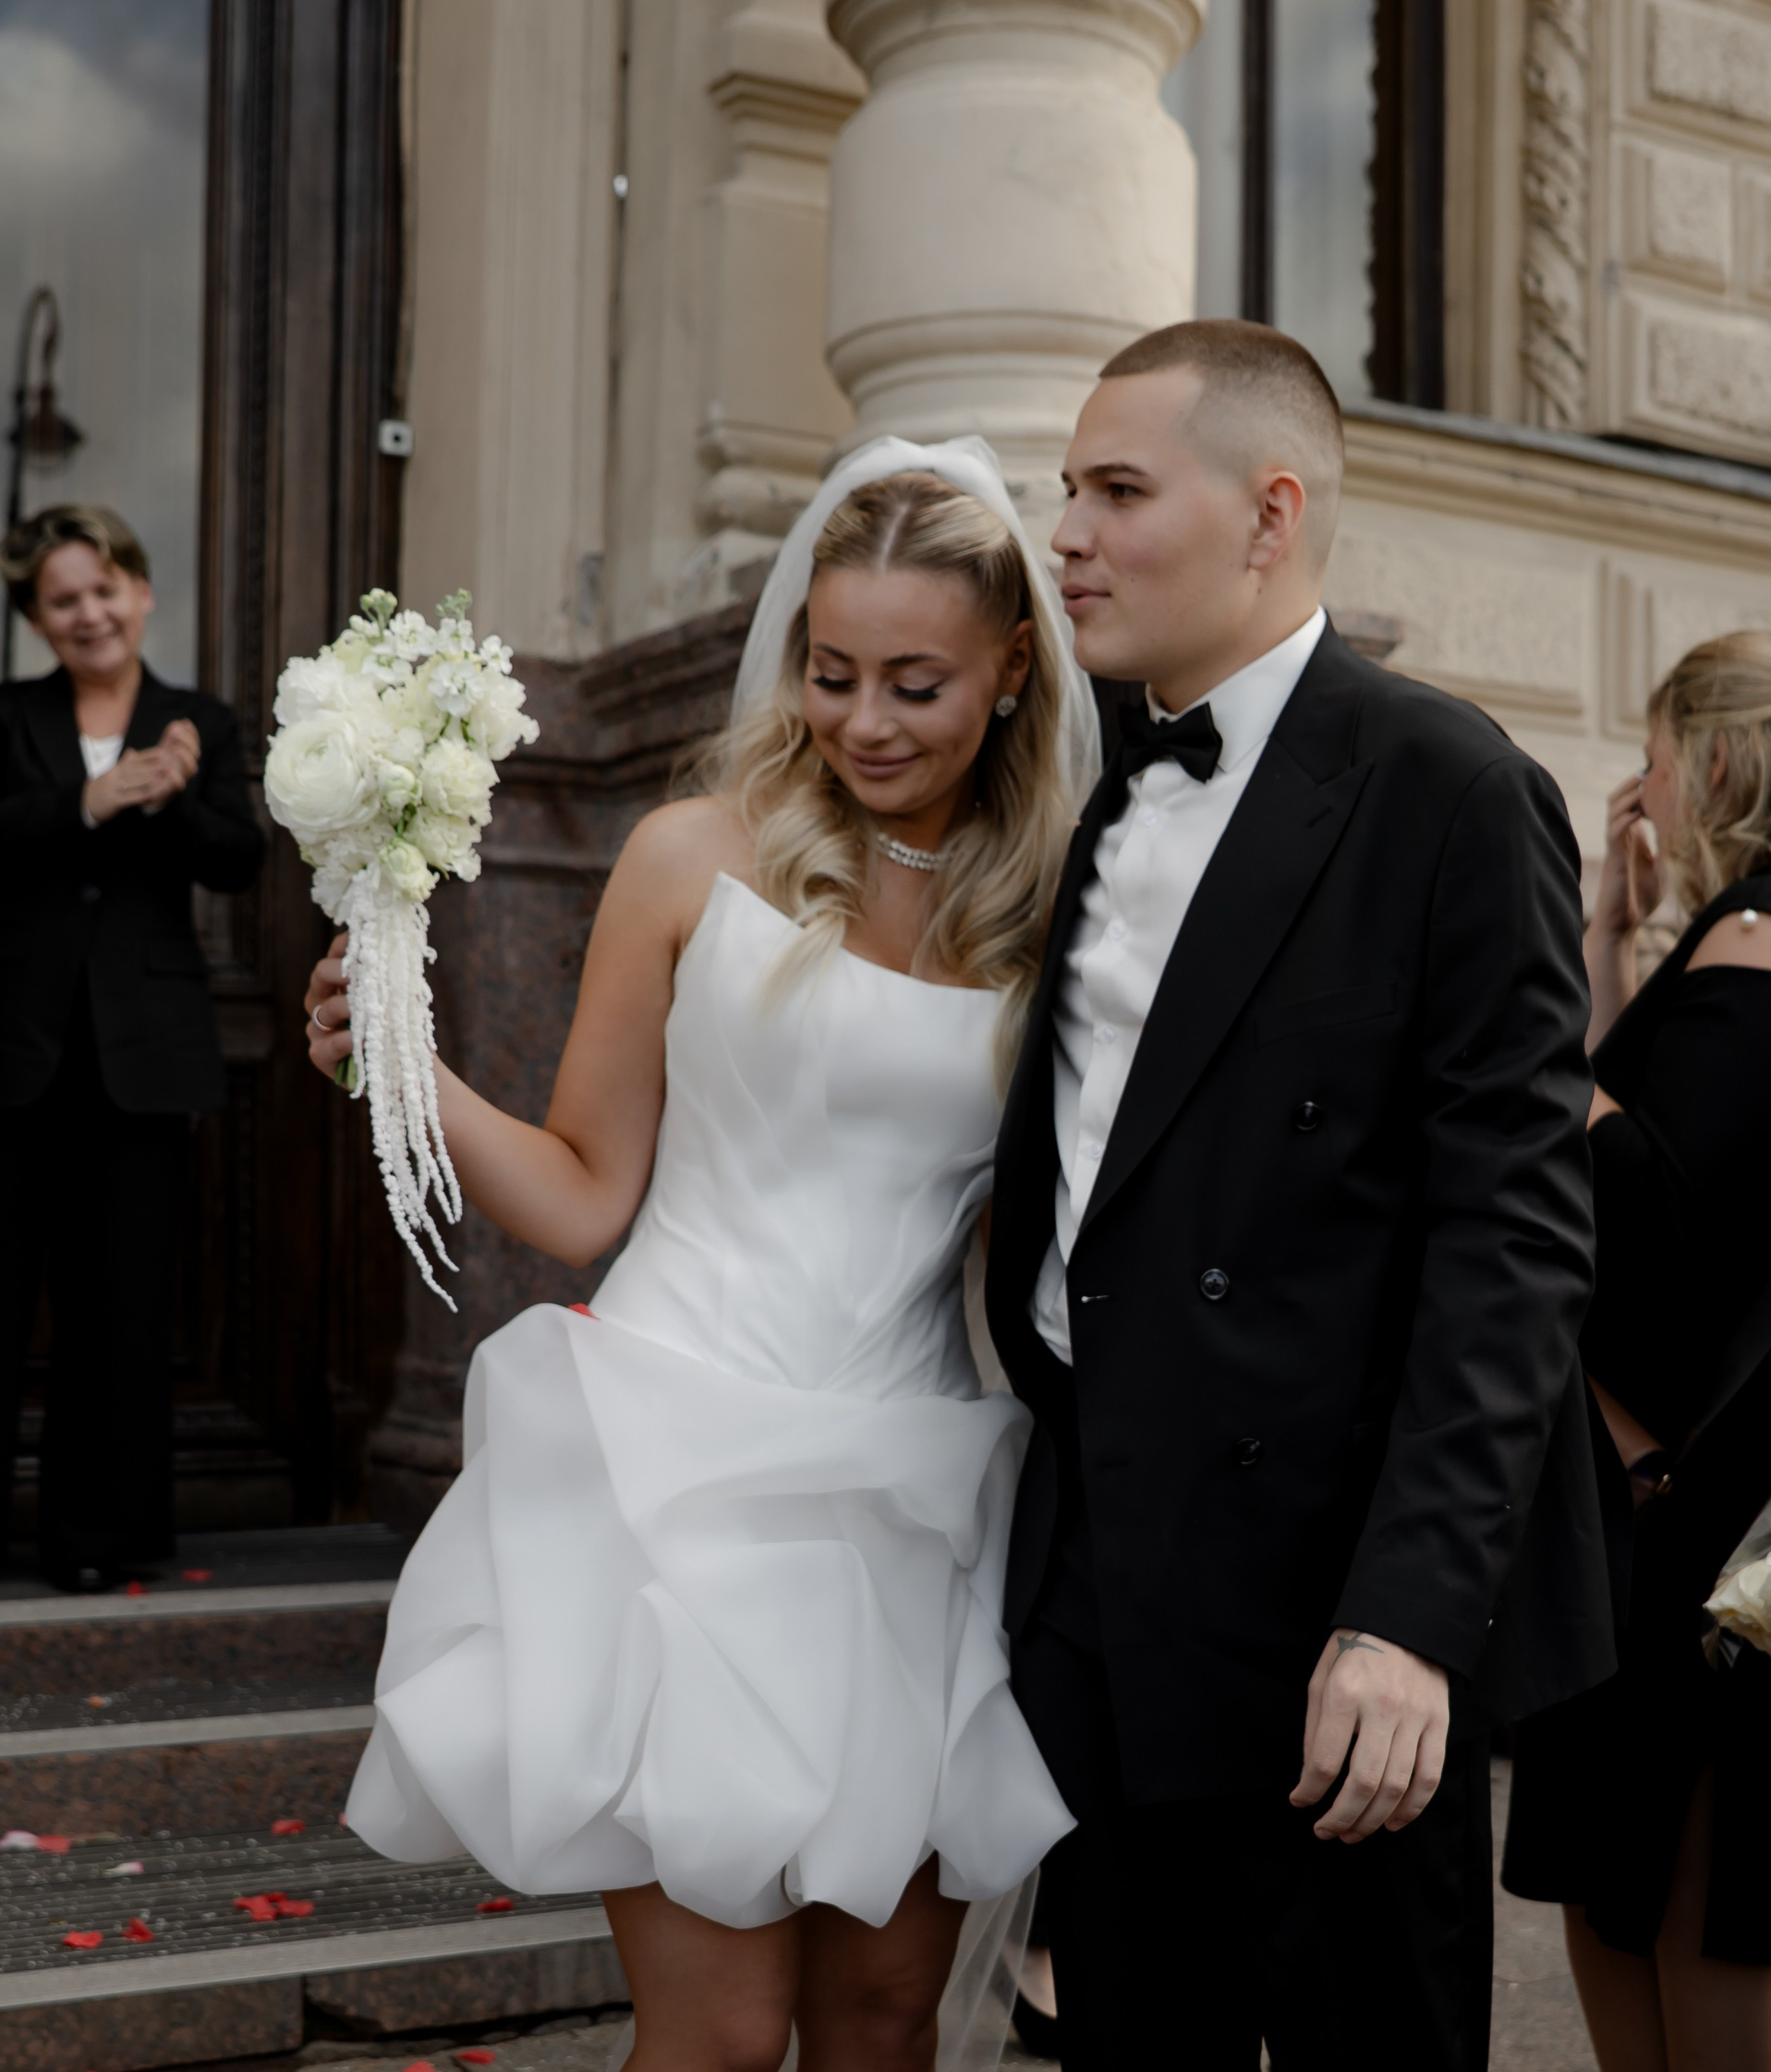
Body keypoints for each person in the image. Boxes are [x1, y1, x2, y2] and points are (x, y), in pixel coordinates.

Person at [303, 440, 1091, 2072]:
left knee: (881, 2020)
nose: (863, 721)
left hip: (913, 1504)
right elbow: (587, 1191)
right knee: (721, 2031)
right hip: (681, 1484)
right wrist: (406, 1069)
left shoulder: (1051, 913)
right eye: (831, 672)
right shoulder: (688, 855)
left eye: (915, 683)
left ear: (1012, 668)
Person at [983, 320, 1615, 2072]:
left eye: (1118, 492)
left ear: (1269, 516)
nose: (1071, 538)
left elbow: (1515, 1239)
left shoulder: (1447, 787)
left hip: (1334, 1618)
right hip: (1104, 1593)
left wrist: (1411, 1619)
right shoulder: (1076, 783)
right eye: (1067, 494)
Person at [1503, 631, 1771, 2072]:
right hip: (1678, 1519)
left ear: (1716, 764)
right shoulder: (1721, 937)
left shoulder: (1746, 950)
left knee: (1671, 1921)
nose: (1640, 787)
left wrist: (1530, 1020)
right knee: (1648, 1908)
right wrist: (1612, 946)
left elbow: (1647, 1228)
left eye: (1657, 755)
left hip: (1680, 1524)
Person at [0, 504, 264, 1593]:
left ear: (143, 593)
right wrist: (93, 799)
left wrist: (168, 796)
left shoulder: (200, 719)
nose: (90, 612)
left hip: (145, 1056)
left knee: (120, 1307)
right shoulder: (9, 716)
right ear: (37, 619)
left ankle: (95, 1543)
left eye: (106, 590)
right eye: (64, 599)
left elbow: (240, 860)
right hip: (15, 1049)